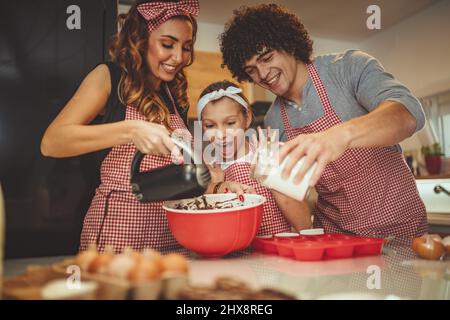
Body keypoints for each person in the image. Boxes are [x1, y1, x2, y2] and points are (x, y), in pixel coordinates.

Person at [40, 0, 249, 253]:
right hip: (119, 237)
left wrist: (215, 186)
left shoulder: (174, 94)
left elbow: (178, 174)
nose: (179, 57)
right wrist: (131, 130)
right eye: (167, 44)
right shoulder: (110, 77)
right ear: (141, 40)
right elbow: (52, 141)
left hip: (172, 238)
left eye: (186, 47)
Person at [219, 4, 428, 244]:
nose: (263, 74)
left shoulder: (347, 68)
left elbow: (409, 113)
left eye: (267, 58)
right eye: (252, 70)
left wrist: (340, 136)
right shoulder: (274, 120)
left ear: (288, 43)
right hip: (337, 237)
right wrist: (269, 178)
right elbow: (301, 194)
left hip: (401, 228)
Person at [197, 80, 312, 234]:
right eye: (210, 125)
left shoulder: (269, 155)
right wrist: (216, 187)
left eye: (230, 123)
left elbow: (304, 224)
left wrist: (271, 173)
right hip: (236, 256)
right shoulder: (208, 170)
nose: (221, 135)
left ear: (248, 118)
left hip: (276, 252)